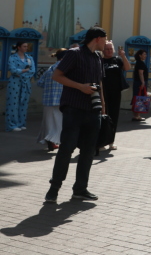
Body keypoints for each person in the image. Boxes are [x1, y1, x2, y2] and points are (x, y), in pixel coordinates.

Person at [45, 26, 107, 203]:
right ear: (97, 38)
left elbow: (99, 83)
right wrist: (81, 87)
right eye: (105, 39)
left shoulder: (98, 57)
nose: (106, 42)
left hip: (93, 111)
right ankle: (53, 189)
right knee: (66, 149)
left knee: (88, 152)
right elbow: (57, 76)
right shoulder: (74, 53)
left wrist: (103, 107)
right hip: (73, 109)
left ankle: (80, 189)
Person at [100, 40, 130, 150]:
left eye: (111, 49)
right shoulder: (100, 60)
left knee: (114, 116)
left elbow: (127, 68)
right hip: (103, 92)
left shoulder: (117, 60)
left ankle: (111, 142)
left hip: (115, 92)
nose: (109, 51)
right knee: (103, 116)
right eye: (107, 49)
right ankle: (102, 142)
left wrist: (123, 56)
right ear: (103, 50)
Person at [37, 48, 67, 151]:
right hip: (61, 99)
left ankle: (50, 140)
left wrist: (48, 87)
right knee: (59, 122)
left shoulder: (50, 68)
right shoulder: (65, 69)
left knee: (49, 123)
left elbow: (40, 83)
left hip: (48, 99)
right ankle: (54, 140)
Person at [6, 41, 35, 132]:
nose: (26, 48)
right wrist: (24, 70)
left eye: (27, 46)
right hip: (15, 83)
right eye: (24, 46)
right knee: (13, 103)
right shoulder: (12, 57)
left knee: (24, 103)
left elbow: (32, 70)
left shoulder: (29, 58)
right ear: (19, 47)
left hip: (26, 83)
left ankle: (21, 123)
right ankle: (12, 125)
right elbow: (13, 70)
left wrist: (21, 73)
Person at [131, 49, 148, 122]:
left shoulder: (138, 62)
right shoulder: (140, 63)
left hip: (137, 82)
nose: (145, 56)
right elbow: (141, 73)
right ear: (140, 55)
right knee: (139, 98)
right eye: (144, 54)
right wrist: (143, 82)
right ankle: (137, 116)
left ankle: (137, 115)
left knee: (138, 98)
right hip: (139, 83)